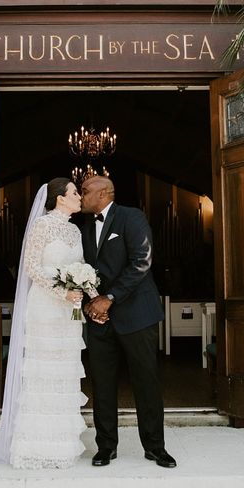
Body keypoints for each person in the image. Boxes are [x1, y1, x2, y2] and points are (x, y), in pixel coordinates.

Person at [80, 176, 176, 469]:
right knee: (102, 383)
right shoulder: (82, 226)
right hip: (99, 319)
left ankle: (155, 447)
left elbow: (141, 261)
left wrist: (109, 297)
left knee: (146, 382)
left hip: (136, 315)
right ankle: (106, 447)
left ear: (104, 193)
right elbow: (82, 269)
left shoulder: (131, 217)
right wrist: (93, 303)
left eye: (85, 191)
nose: (81, 196)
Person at [0, 179, 88, 469]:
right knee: (43, 373)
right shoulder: (42, 226)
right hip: (45, 307)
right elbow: (32, 267)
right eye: (74, 193)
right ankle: (35, 445)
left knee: (64, 373)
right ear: (60, 198)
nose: (79, 196)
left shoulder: (74, 230)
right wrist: (62, 291)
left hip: (70, 312)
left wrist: (85, 289)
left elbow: (80, 266)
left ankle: (62, 443)